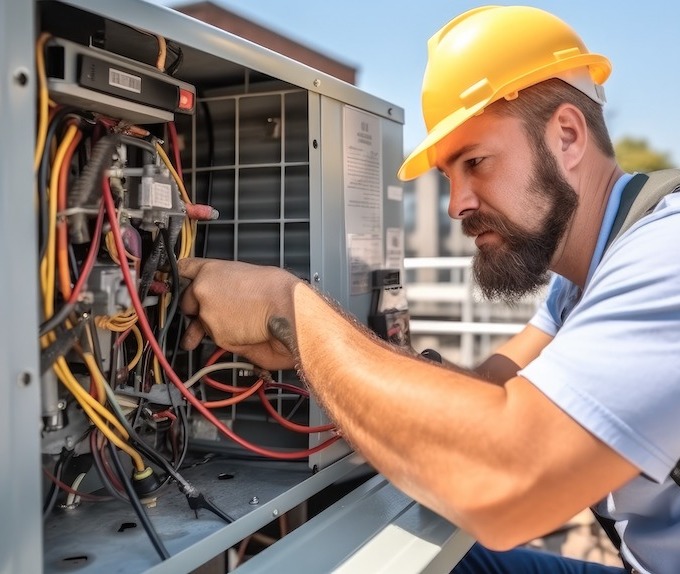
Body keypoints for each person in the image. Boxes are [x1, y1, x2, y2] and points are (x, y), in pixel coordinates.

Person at [178, 5, 680, 573]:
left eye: (477, 162)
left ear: (566, 136)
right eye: (448, 175)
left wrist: (288, 309)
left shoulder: (665, 256)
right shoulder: (582, 281)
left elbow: (506, 484)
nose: (456, 204)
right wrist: (322, 356)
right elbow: (492, 384)